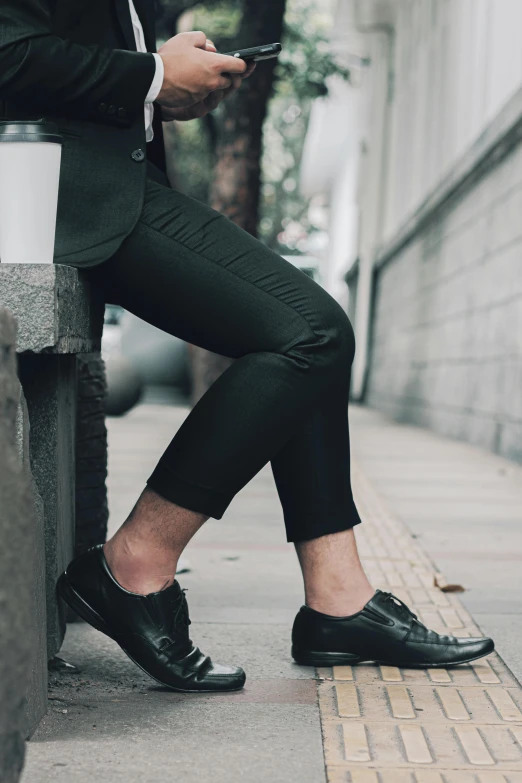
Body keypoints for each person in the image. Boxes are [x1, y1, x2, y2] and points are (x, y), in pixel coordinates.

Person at [0, 0, 494, 693]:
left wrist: (164, 80)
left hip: (103, 182)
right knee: (312, 333)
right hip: (57, 193)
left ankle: (338, 598)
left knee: (300, 331)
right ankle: (134, 564)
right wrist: (147, 74)